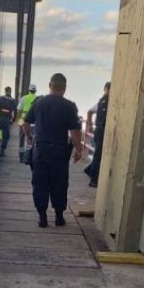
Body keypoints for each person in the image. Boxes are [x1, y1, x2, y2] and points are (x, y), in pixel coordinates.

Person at [23, 73, 83, 228]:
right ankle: (59, 217)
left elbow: (26, 123)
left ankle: (42, 217)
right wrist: (78, 149)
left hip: (40, 150)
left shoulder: (39, 102)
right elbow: (75, 130)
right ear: (64, 88)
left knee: (40, 182)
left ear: (50, 86)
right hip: (59, 151)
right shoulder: (69, 106)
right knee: (59, 183)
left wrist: (29, 137)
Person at [84, 82, 110, 188]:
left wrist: (90, 125)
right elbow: (90, 112)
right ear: (105, 89)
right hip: (101, 132)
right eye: (108, 89)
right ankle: (93, 179)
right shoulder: (104, 102)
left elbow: (90, 111)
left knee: (100, 155)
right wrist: (90, 125)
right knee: (98, 156)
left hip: (101, 132)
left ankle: (90, 170)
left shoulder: (102, 101)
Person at [16, 83, 38, 161]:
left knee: (21, 138)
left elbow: (19, 110)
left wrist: (18, 120)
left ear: (29, 90)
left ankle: (21, 157)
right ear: (35, 90)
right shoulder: (37, 99)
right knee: (30, 138)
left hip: (23, 120)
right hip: (33, 121)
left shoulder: (24, 98)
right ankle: (29, 156)